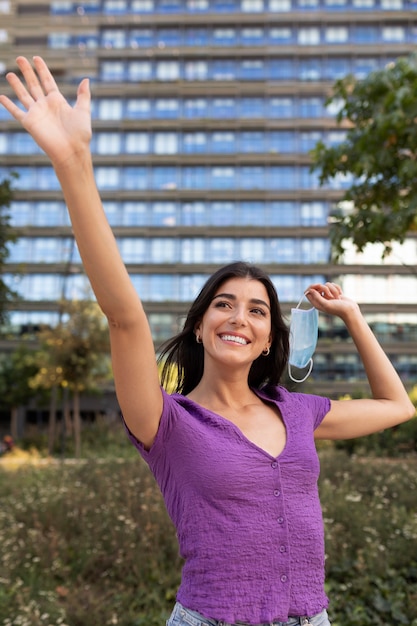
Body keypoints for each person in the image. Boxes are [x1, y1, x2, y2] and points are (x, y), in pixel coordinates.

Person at [0, 57, 414, 626]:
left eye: (256, 309)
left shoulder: (298, 413)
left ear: (270, 338)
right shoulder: (166, 421)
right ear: (200, 324)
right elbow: (125, 317)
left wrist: (354, 316)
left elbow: (398, 406)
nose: (238, 317)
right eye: (223, 303)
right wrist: (74, 163)